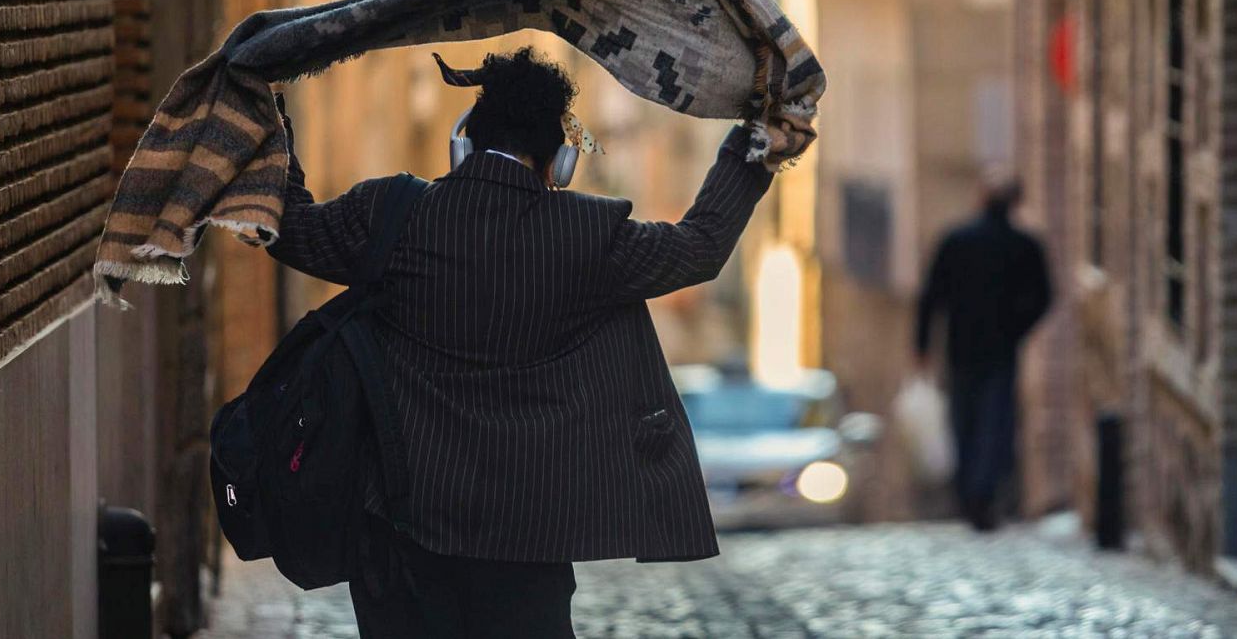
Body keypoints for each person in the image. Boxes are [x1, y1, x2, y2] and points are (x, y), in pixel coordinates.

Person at [266, 47, 809, 638]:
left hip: (401, 525)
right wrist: (753, 152)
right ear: (561, 162)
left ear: (463, 144)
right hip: (527, 540)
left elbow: (290, 231)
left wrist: (271, 125)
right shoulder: (586, 234)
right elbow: (699, 245)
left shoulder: (391, 214)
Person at [914, 175, 1051, 531]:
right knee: (994, 422)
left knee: (965, 422)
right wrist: (1017, 329)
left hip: (960, 348)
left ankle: (969, 495)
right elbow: (1043, 297)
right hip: (1000, 349)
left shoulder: (956, 240)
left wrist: (923, 347)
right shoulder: (1023, 244)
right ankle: (982, 494)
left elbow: (931, 297)